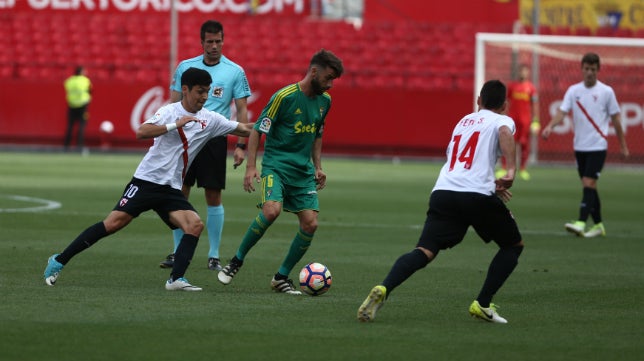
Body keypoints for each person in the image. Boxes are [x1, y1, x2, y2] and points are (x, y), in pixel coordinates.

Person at [43, 68, 253, 291]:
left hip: (170, 189)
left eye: (207, 92)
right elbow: (142, 131)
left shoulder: (209, 119)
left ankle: (175, 280)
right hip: (146, 181)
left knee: (194, 225)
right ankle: (59, 260)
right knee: (113, 223)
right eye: (200, 91)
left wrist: (270, 124)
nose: (204, 96)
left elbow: (243, 128)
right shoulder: (169, 112)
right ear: (185, 89)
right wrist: (176, 124)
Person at [357, 80, 524, 324]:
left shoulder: (463, 122)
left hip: (444, 191)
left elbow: (460, 161)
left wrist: (489, 185)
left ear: (479, 100)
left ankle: (384, 288)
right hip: (475, 194)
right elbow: (505, 133)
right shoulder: (502, 120)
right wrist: (510, 172)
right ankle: (483, 303)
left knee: (424, 250)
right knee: (513, 245)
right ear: (505, 105)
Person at [217, 49, 344, 294]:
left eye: (333, 80)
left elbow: (318, 134)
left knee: (310, 224)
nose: (330, 85)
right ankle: (236, 261)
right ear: (314, 72)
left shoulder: (324, 102)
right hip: (276, 166)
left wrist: (318, 167)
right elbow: (257, 130)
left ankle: (281, 277)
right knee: (271, 211)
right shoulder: (283, 97)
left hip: (302, 171)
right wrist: (252, 166)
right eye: (328, 78)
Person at [159, 20, 252, 271]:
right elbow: (173, 105)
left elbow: (242, 109)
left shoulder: (235, 71)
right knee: (180, 193)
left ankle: (213, 254)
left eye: (218, 41)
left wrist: (241, 145)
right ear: (201, 43)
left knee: (213, 195)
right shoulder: (185, 68)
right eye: (209, 41)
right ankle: (179, 251)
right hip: (186, 140)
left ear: (223, 41)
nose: (214, 46)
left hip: (213, 140)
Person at [542, 52, 629, 238]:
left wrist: (623, 145)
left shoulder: (606, 92)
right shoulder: (574, 91)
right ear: (582, 69)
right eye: (587, 68)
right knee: (589, 185)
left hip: (598, 146)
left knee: (589, 182)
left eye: (593, 69)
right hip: (579, 147)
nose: (589, 72)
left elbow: (616, 118)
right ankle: (598, 225)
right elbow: (562, 112)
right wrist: (550, 126)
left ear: (598, 70)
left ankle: (581, 222)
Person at [496, 63, 539, 181]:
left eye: (525, 71)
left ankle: (523, 169)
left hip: (525, 121)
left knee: (524, 144)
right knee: (508, 144)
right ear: (518, 72)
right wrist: (502, 117)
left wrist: (535, 121)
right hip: (512, 121)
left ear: (528, 73)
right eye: (521, 71)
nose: (523, 73)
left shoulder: (531, 88)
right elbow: (505, 102)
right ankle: (504, 167)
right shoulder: (511, 86)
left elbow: (534, 105)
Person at [63, 66, 92, 151]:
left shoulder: (69, 81)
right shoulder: (85, 81)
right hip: (82, 106)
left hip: (71, 105)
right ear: (82, 72)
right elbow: (90, 90)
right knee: (82, 126)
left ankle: (66, 145)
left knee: (70, 126)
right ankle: (79, 145)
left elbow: (66, 89)